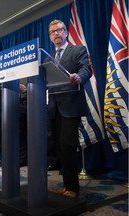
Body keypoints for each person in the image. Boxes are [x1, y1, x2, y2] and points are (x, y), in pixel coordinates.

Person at [47, 20, 92, 198]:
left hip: (71, 105)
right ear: (50, 37)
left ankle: (73, 188)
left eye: (59, 30)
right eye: (52, 32)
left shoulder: (78, 50)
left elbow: (86, 69)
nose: (56, 34)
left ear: (66, 32)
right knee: (59, 147)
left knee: (68, 144)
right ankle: (66, 185)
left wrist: (79, 77)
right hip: (54, 107)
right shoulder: (48, 57)